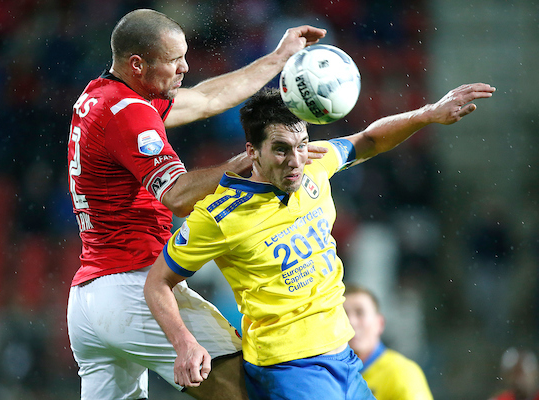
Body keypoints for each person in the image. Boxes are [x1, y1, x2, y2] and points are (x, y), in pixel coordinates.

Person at [144, 83, 495, 400]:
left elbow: (370, 140)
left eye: (301, 145)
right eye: (281, 150)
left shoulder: (315, 164)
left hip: (344, 357)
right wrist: (184, 343)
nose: (295, 161)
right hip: (288, 368)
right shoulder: (219, 216)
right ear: (252, 152)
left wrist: (428, 114)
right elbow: (157, 283)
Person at [65, 8, 328, 400]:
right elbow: (178, 195)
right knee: (250, 392)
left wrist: (278, 58)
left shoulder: (103, 95)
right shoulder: (130, 114)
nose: (185, 67)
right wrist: (246, 162)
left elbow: (207, 98)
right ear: (137, 64)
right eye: (174, 60)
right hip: (133, 286)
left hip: (89, 298)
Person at [343, 284, 433, 400]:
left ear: (379, 323)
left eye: (360, 313)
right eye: (343, 315)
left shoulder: (402, 373)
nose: (351, 321)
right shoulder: (330, 374)